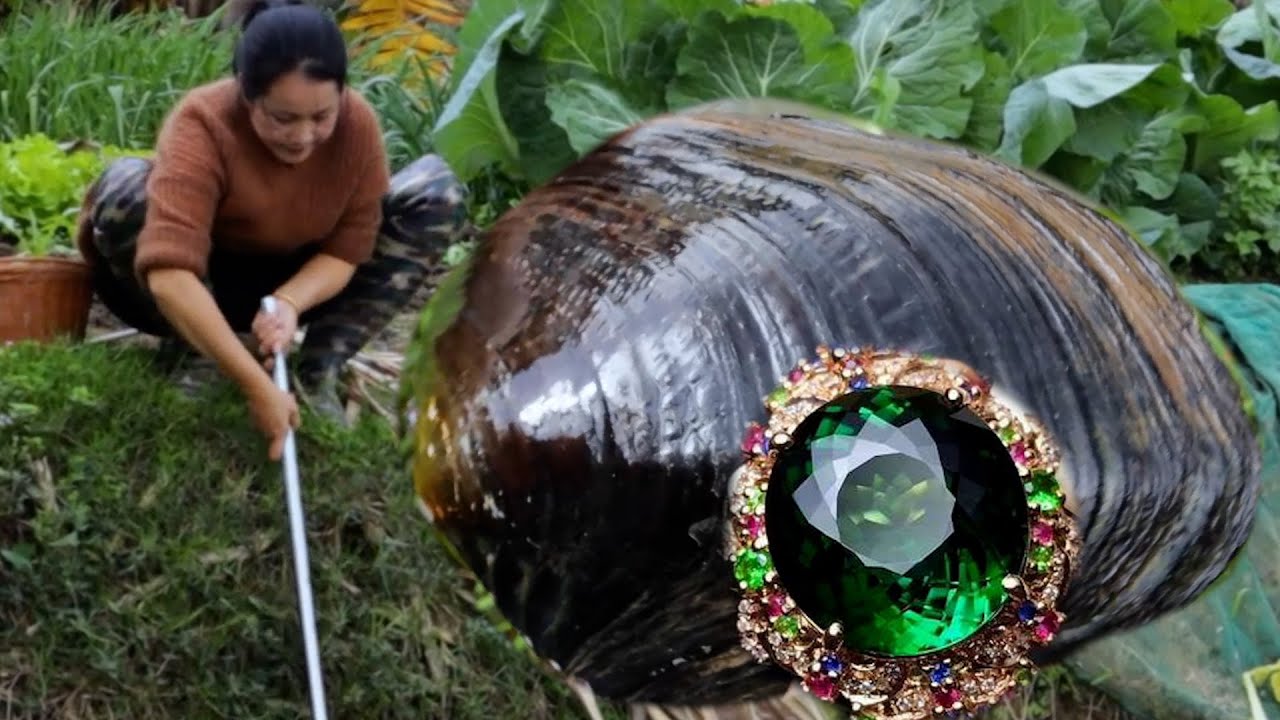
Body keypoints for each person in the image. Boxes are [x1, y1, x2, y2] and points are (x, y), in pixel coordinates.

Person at [75, 0, 465, 460]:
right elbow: (170, 273)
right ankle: (204, 351)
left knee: (438, 189)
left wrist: (290, 302)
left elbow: (347, 251)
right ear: (246, 95)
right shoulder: (203, 122)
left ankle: (319, 369)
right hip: (207, 281)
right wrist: (256, 385)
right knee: (122, 189)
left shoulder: (357, 126)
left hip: (298, 275)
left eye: (321, 117)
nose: (303, 137)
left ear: (341, 93)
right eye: (283, 118)